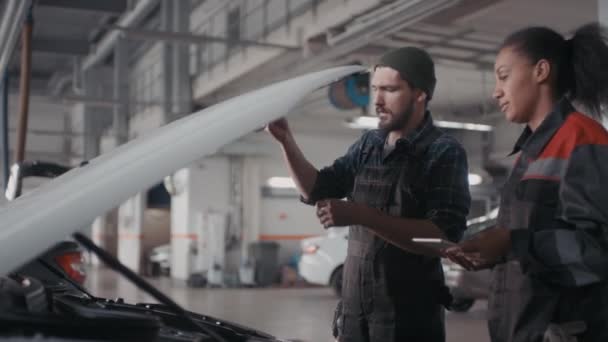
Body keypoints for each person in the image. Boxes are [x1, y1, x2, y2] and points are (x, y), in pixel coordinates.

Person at [267, 47, 471, 342]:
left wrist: (361, 215)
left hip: (409, 322)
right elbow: (317, 188)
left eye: (389, 89)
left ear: (420, 94)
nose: (377, 100)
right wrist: (286, 141)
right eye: (375, 89)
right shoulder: (369, 145)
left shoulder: (443, 153)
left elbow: (440, 240)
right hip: (355, 315)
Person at [445, 24, 608, 342]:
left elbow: (596, 251)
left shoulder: (583, 139)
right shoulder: (529, 153)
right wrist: (491, 248)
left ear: (541, 71)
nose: (496, 91)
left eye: (503, 76)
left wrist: (512, 243)